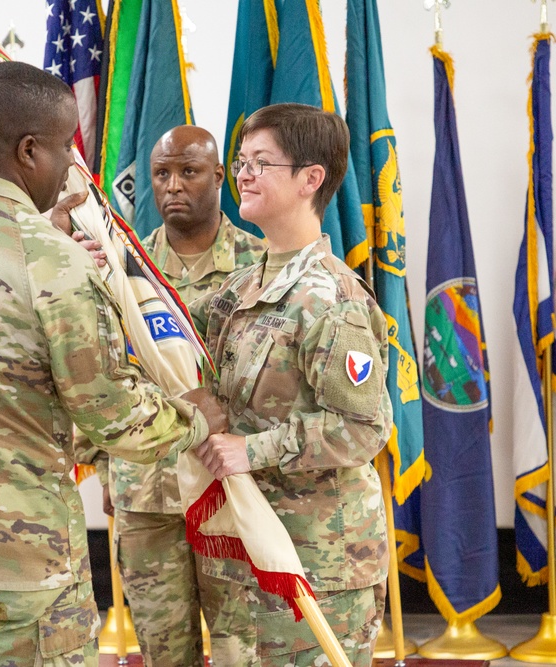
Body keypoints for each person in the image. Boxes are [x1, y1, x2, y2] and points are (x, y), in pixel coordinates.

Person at [0, 61, 224, 666]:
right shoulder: (52, 259)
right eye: (63, 150)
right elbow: (112, 417)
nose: (68, 168)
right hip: (14, 562)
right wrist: (197, 417)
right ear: (29, 151)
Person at [193, 103, 390, 665]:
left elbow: (363, 428)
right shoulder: (241, 287)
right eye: (241, 161)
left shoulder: (331, 299)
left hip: (320, 560)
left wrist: (250, 450)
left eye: (262, 162)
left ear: (311, 179)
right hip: (252, 549)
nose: (244, 174)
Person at [98, 125, 266, 666]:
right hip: (147, 492)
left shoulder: (260, 266)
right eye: (161, 174)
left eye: (188, 172)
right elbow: (101, 375)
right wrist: (106, 468)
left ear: (219, 177)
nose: (173, 186)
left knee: (243, 647)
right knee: (164, 651)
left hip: (228, 490)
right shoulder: (125, 269)